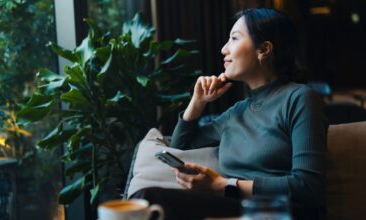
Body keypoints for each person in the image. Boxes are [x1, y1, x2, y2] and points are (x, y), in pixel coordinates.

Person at [131, 8, 328, 220]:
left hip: (281, 211)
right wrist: (197, 102)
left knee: (150, 199)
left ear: (264, 49)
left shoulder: (300, 98)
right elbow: (180, 147)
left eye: (234, 38)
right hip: (234, 208)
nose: (224, 49)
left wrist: (223, 185)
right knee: (146, 200)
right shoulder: (237, 112)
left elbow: (308, 187)